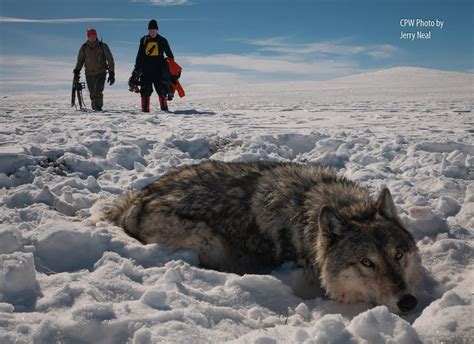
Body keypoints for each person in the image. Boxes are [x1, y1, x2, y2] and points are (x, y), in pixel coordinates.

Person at [133, 19, 174, 112]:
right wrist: (137, 69)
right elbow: (139, 55)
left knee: (162, 91)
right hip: (146, 70)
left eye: (154, 30)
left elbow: (170, 56)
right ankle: (145, 111)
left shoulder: (163, 41)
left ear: (157, 30)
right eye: (150, 30)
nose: (152, 32)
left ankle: (165, 111)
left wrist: (168, 68)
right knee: (145, 91)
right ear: (148, 30)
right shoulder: (143, 40)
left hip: (159, 70)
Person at [73, 28, 115, 111]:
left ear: (96, 36)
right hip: (89, 74)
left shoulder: (103, 46)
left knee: (98, 91)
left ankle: (98, 108)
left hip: (101, 73)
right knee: (92, 93)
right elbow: (80, 61)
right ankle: (95, 109)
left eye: (94, 35)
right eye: (90, 36)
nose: (92, 37)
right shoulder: (84, 47)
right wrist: (77, 71)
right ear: (87, 37)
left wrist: (111, 73)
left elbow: (110, 60)